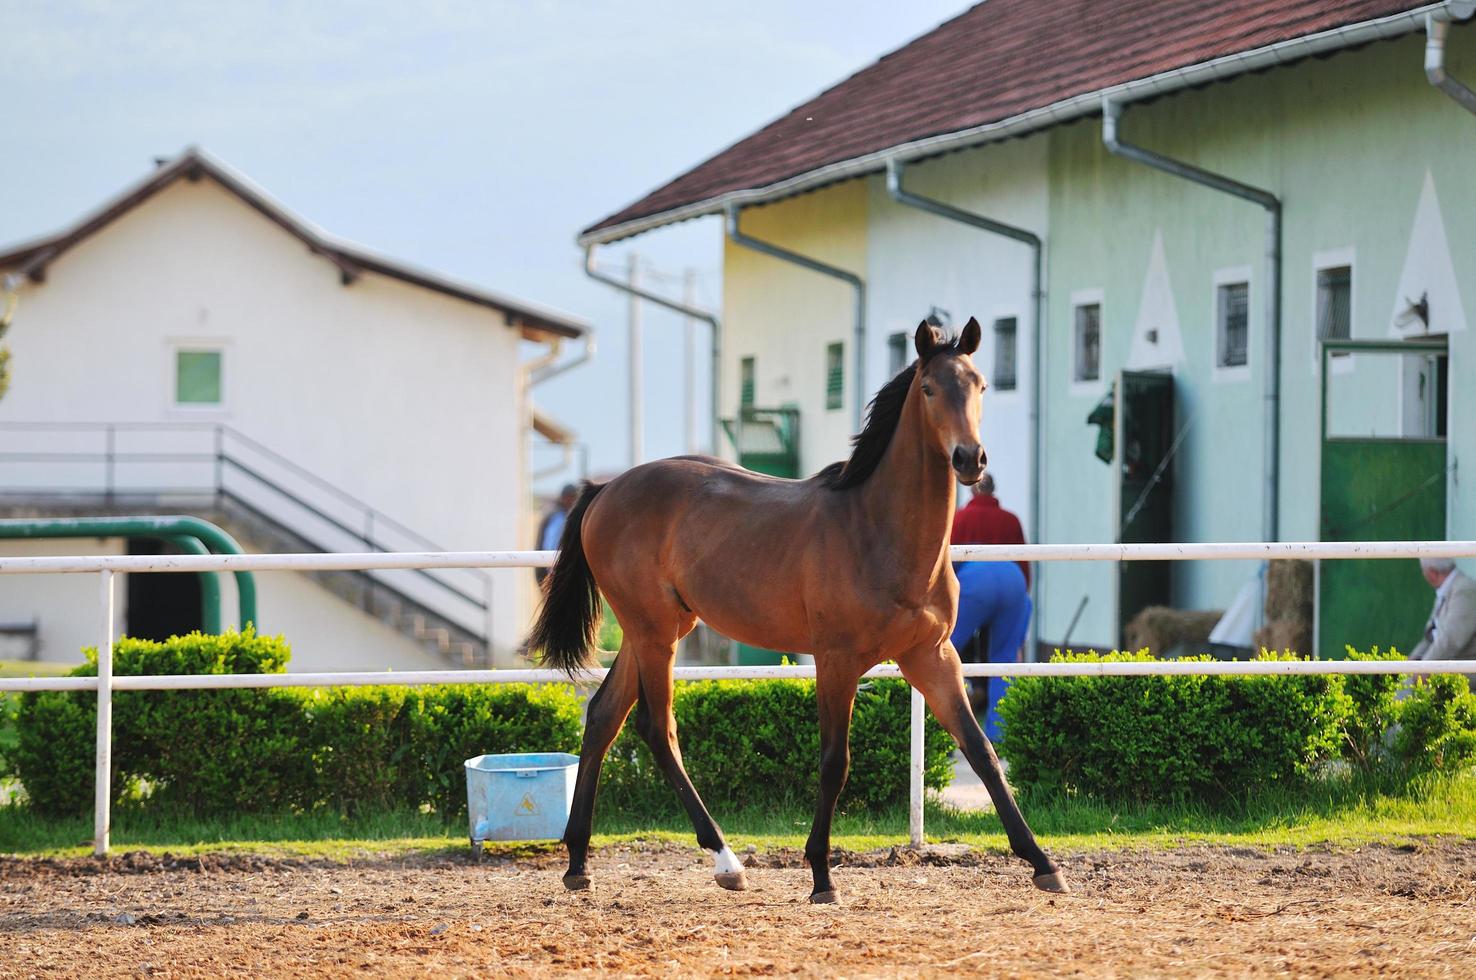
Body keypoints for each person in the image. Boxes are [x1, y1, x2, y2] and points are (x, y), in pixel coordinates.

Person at [949, 470, 1032, 740]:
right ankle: (999, 736)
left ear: (972, 490)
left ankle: (948, 731)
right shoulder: (1011, 520)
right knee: (1004, 659)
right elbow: (1024, 564)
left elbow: (946, 566)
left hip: (973, 583)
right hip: (1012, 581)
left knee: (944, 652)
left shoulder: (959, 518)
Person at [1410, 557, 1476, 688]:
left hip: (1465, 666)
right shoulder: (1448, 588)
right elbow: (1431, 635)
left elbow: (1452, 639)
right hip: (1447, 665)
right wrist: (1412, 660)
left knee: (1404, 690)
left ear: (1432, 573)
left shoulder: (1465, 589)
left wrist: (1424, 667)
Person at [534, 484, 579, 588]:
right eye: (571, 497)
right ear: (564, 498)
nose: (573, 501)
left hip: (551, 569)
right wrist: (554, 573)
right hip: (551, 571)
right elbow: (551, 545)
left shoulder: (560, 515)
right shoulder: (559, 517)